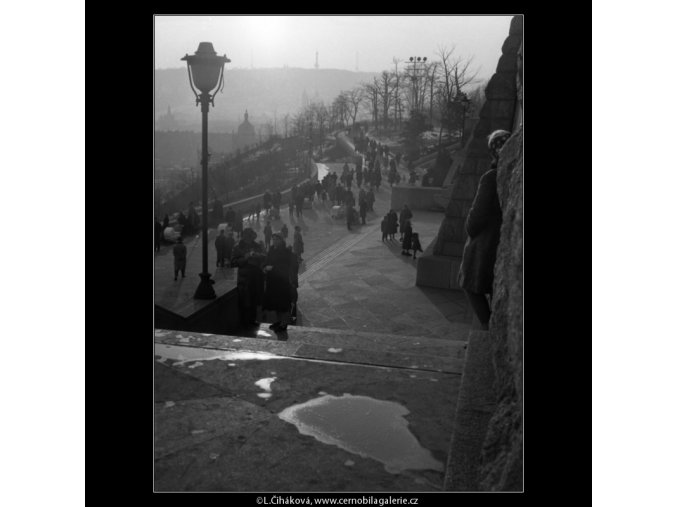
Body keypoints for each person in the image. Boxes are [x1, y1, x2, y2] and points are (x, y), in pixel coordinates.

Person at [458, 129, 510, 330]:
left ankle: (489, 331)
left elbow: (474, 221)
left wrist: (469, 223)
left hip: (484, 248)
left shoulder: (491, 178)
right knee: (496, 292)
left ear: (493, 154)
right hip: (501, 244)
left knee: (472, 287)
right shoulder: (512, 175)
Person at [231, 228, 266, 327]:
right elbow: (232, 262)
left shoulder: (257, 245)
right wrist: (245, 258)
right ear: (244, 236)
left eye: (251, 236)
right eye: (248, 236)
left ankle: (252, 320)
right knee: (244, 300)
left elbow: (264, 257)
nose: (250, 238)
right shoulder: (238, 247)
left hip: (256, 277)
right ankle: (244, 322)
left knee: (254, 300)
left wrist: (258, 256)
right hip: (244, 278)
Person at [262, 233, 296, 333]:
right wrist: (264, 267)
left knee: (283, 304)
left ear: (281, 240)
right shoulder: (272, 250)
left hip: (281, 282)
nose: (274, 241)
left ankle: (284, 323)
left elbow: (286, 266)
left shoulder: (286, 251)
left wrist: (273, 268)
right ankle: (278, 321)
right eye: (273, 239)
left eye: (277, 239)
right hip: (272, 281)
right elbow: (266, 260)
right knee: (276, 303)